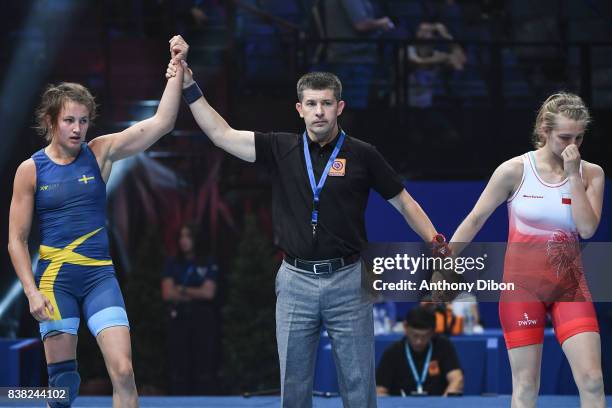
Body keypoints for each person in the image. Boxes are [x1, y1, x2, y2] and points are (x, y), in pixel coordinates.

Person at [166, 37, 448, 407]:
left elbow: (404, 202)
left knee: (359, 386)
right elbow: (222, 135)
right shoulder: (280, 147)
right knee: (294, 387)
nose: (319, 111)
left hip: (349, 280)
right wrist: (189, 85)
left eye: (327, 104)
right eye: (312, 104)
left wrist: (435, 242)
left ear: (339, 107)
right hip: (295, 279)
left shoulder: (363, 155)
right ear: (299, 109)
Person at [7, 36, 184, 407]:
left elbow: (163, 122)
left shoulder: (100, 153)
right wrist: (31, 292)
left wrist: (177, 69)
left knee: (123, 372)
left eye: (83, 120)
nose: (77, 128)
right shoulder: (30, 170)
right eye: (69, 120)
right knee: (63, 385)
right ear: (50, 121)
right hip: (55, 283)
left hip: (99, 277)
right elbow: (16, 241)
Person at [449, 92, 606, 407]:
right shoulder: (514, 170)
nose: (572, 145)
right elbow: (476, 218)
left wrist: (573, 177)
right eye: (564, 137)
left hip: (570, 288)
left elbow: (587, 229)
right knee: (525, 386)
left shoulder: (591, 174)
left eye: (579, 137)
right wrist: (442, 264)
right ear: (544, 131)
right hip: (522, 290)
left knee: (592, 380)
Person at [161, 223, 219, 395]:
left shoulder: (208, 261)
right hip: (178, 318)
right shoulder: (172, 262)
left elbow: (209, 293)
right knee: (179, 363)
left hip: (202, 318)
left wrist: (181, 289)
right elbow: (167, 293)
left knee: (203, 364)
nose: (183, 241)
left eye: (188, 236)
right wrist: (196, 292)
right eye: (181, 236)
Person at [376, 305, 464, 396]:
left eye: (424, 336)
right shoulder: (393, 352)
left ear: (432, 333)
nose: (419, 341)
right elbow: (380, 391)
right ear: (405, 328)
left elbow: (457, 380)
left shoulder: (443, 346)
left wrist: (443, 404)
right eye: (415, 335)